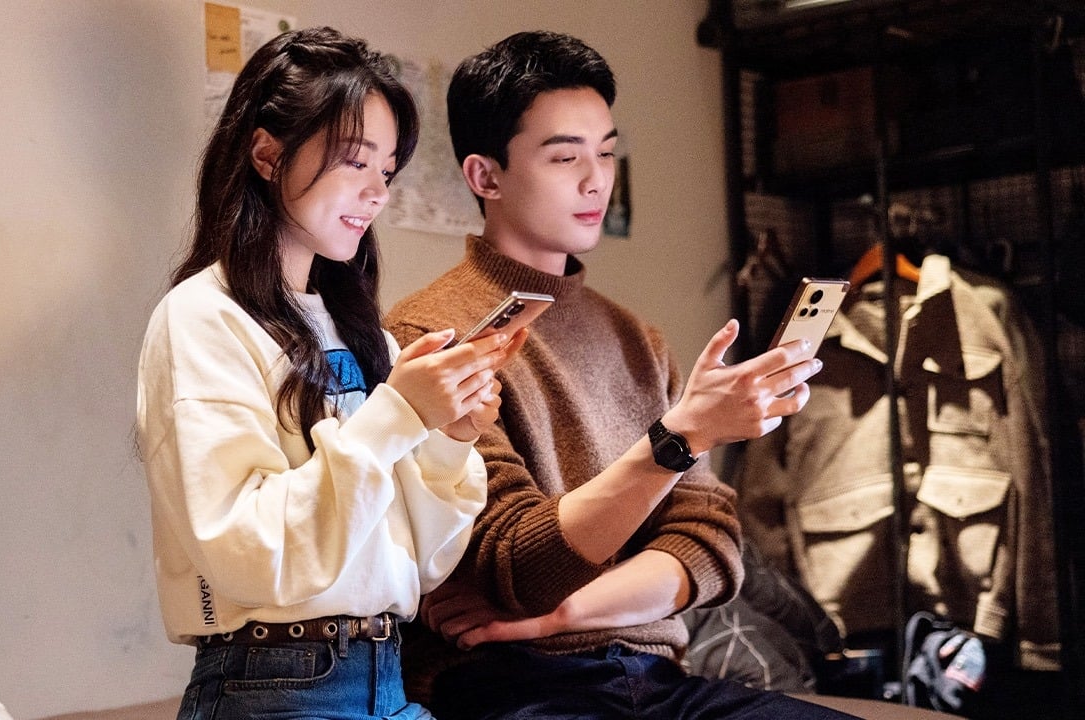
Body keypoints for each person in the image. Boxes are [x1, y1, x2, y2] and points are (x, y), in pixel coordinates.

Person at [385, 31, 857, 719]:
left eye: (606, 152)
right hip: (511, 681)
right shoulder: (432, 336)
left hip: (651, 675)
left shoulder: (636, 338)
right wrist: (679, 438)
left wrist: (563, 614)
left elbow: (711, 544)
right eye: (565, 156)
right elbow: (518, 567)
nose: (596, 179)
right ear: (485, 177)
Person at [135, 27, 527, 720]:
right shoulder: (202, 316)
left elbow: (424, 562)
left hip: (384, 674)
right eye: (355, 161)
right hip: (271, 684)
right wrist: (400, 416)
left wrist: (449, 436)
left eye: (388, 171)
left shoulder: (359, 331)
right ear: (267, 153)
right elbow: (249, 551)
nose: (377, 193)